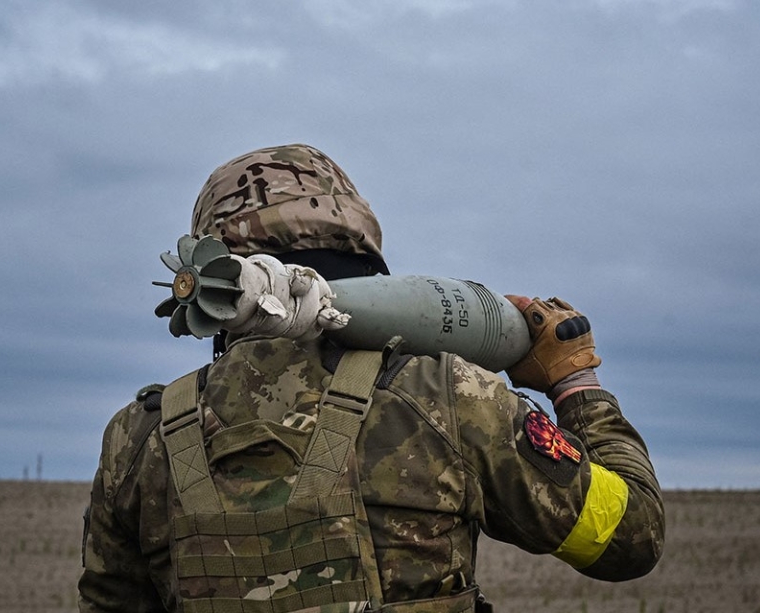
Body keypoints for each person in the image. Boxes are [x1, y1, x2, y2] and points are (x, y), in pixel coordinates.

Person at [78, 144, 664, 612]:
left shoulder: (139, 436)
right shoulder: (448, 398)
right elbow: (630, 538)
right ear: (360, 247)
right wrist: (575, 381)